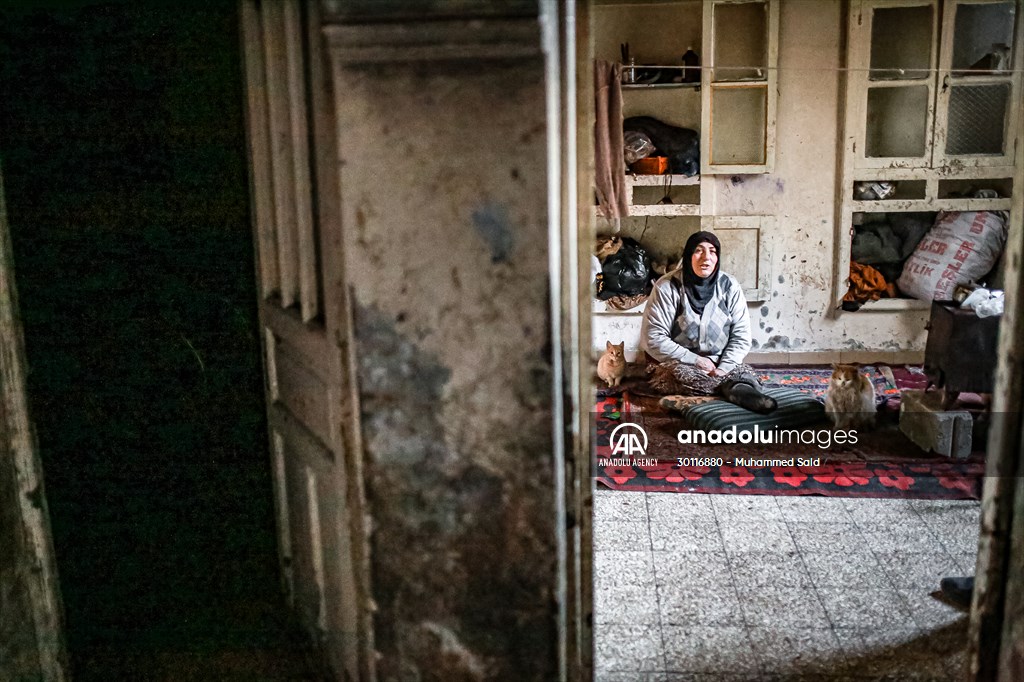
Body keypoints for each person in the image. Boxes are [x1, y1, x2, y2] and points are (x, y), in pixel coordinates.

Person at [640, 230, 776, 413]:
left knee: (741, 370)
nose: (706, 257)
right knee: (678, 375)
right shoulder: (667, 287)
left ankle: (709, 397)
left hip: (720, 362)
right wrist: (695, 360)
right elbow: (653, 338)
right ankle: (733, 392)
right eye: (699, 250)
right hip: (680, 362)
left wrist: (724, 367)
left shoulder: (729, 286)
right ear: (688, 256)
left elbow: (741, 336)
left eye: (712, 251)